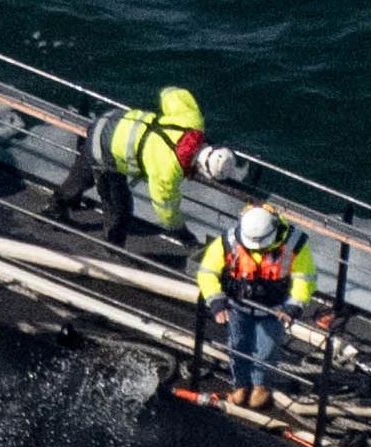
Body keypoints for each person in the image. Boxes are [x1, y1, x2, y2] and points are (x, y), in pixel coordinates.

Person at [198, 203, 322, 409]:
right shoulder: (228, 241)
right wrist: (216, 301)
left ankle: (260, 386)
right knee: (237, 346)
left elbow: (305, 279)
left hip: (274, 310)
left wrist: (293, 306)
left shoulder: (294, 245)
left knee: (267, 350)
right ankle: (241, 385)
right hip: (237, 306)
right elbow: (207, 271)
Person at [51, 86, 208, 247]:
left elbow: (169, 93)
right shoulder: (167, 170)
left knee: (84, 176)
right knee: (119, 207)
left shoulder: (193, 121)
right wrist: (184, 235)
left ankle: (56, 206)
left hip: (113, 120)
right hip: (105, 149)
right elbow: (165, 210)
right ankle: (113, 247)